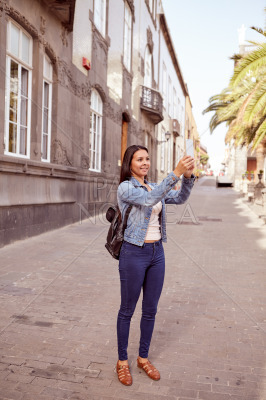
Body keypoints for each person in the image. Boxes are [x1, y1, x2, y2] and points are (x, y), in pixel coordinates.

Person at [116, 144, 195, 386]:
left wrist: (188, 176)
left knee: (150, 310)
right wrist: (175, 172)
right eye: (139, 159)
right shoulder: (127, 188)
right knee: (127, 310)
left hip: (156, 253)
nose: (145, 163)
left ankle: (143, 358)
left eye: (147, 159)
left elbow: (180, 197)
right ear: (129, 163)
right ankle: (121, 362)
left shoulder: (153, 186)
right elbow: (150, 199)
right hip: (133, 253)